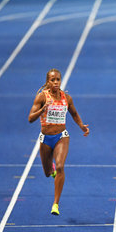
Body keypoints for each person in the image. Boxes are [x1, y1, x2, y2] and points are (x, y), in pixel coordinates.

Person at [28, 68, 89, 216]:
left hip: (61, 136)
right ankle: (52, 170)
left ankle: (55, 204)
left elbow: (74, 113)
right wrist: (42, 110)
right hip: (45, 139)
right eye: (52, 80)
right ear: (47, 82)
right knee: (48, 173)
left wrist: (81, 126)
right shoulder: (42, 98)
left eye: (58, 80)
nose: (55, 82)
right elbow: (30, 118)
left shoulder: (66, 98)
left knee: (61, 166)